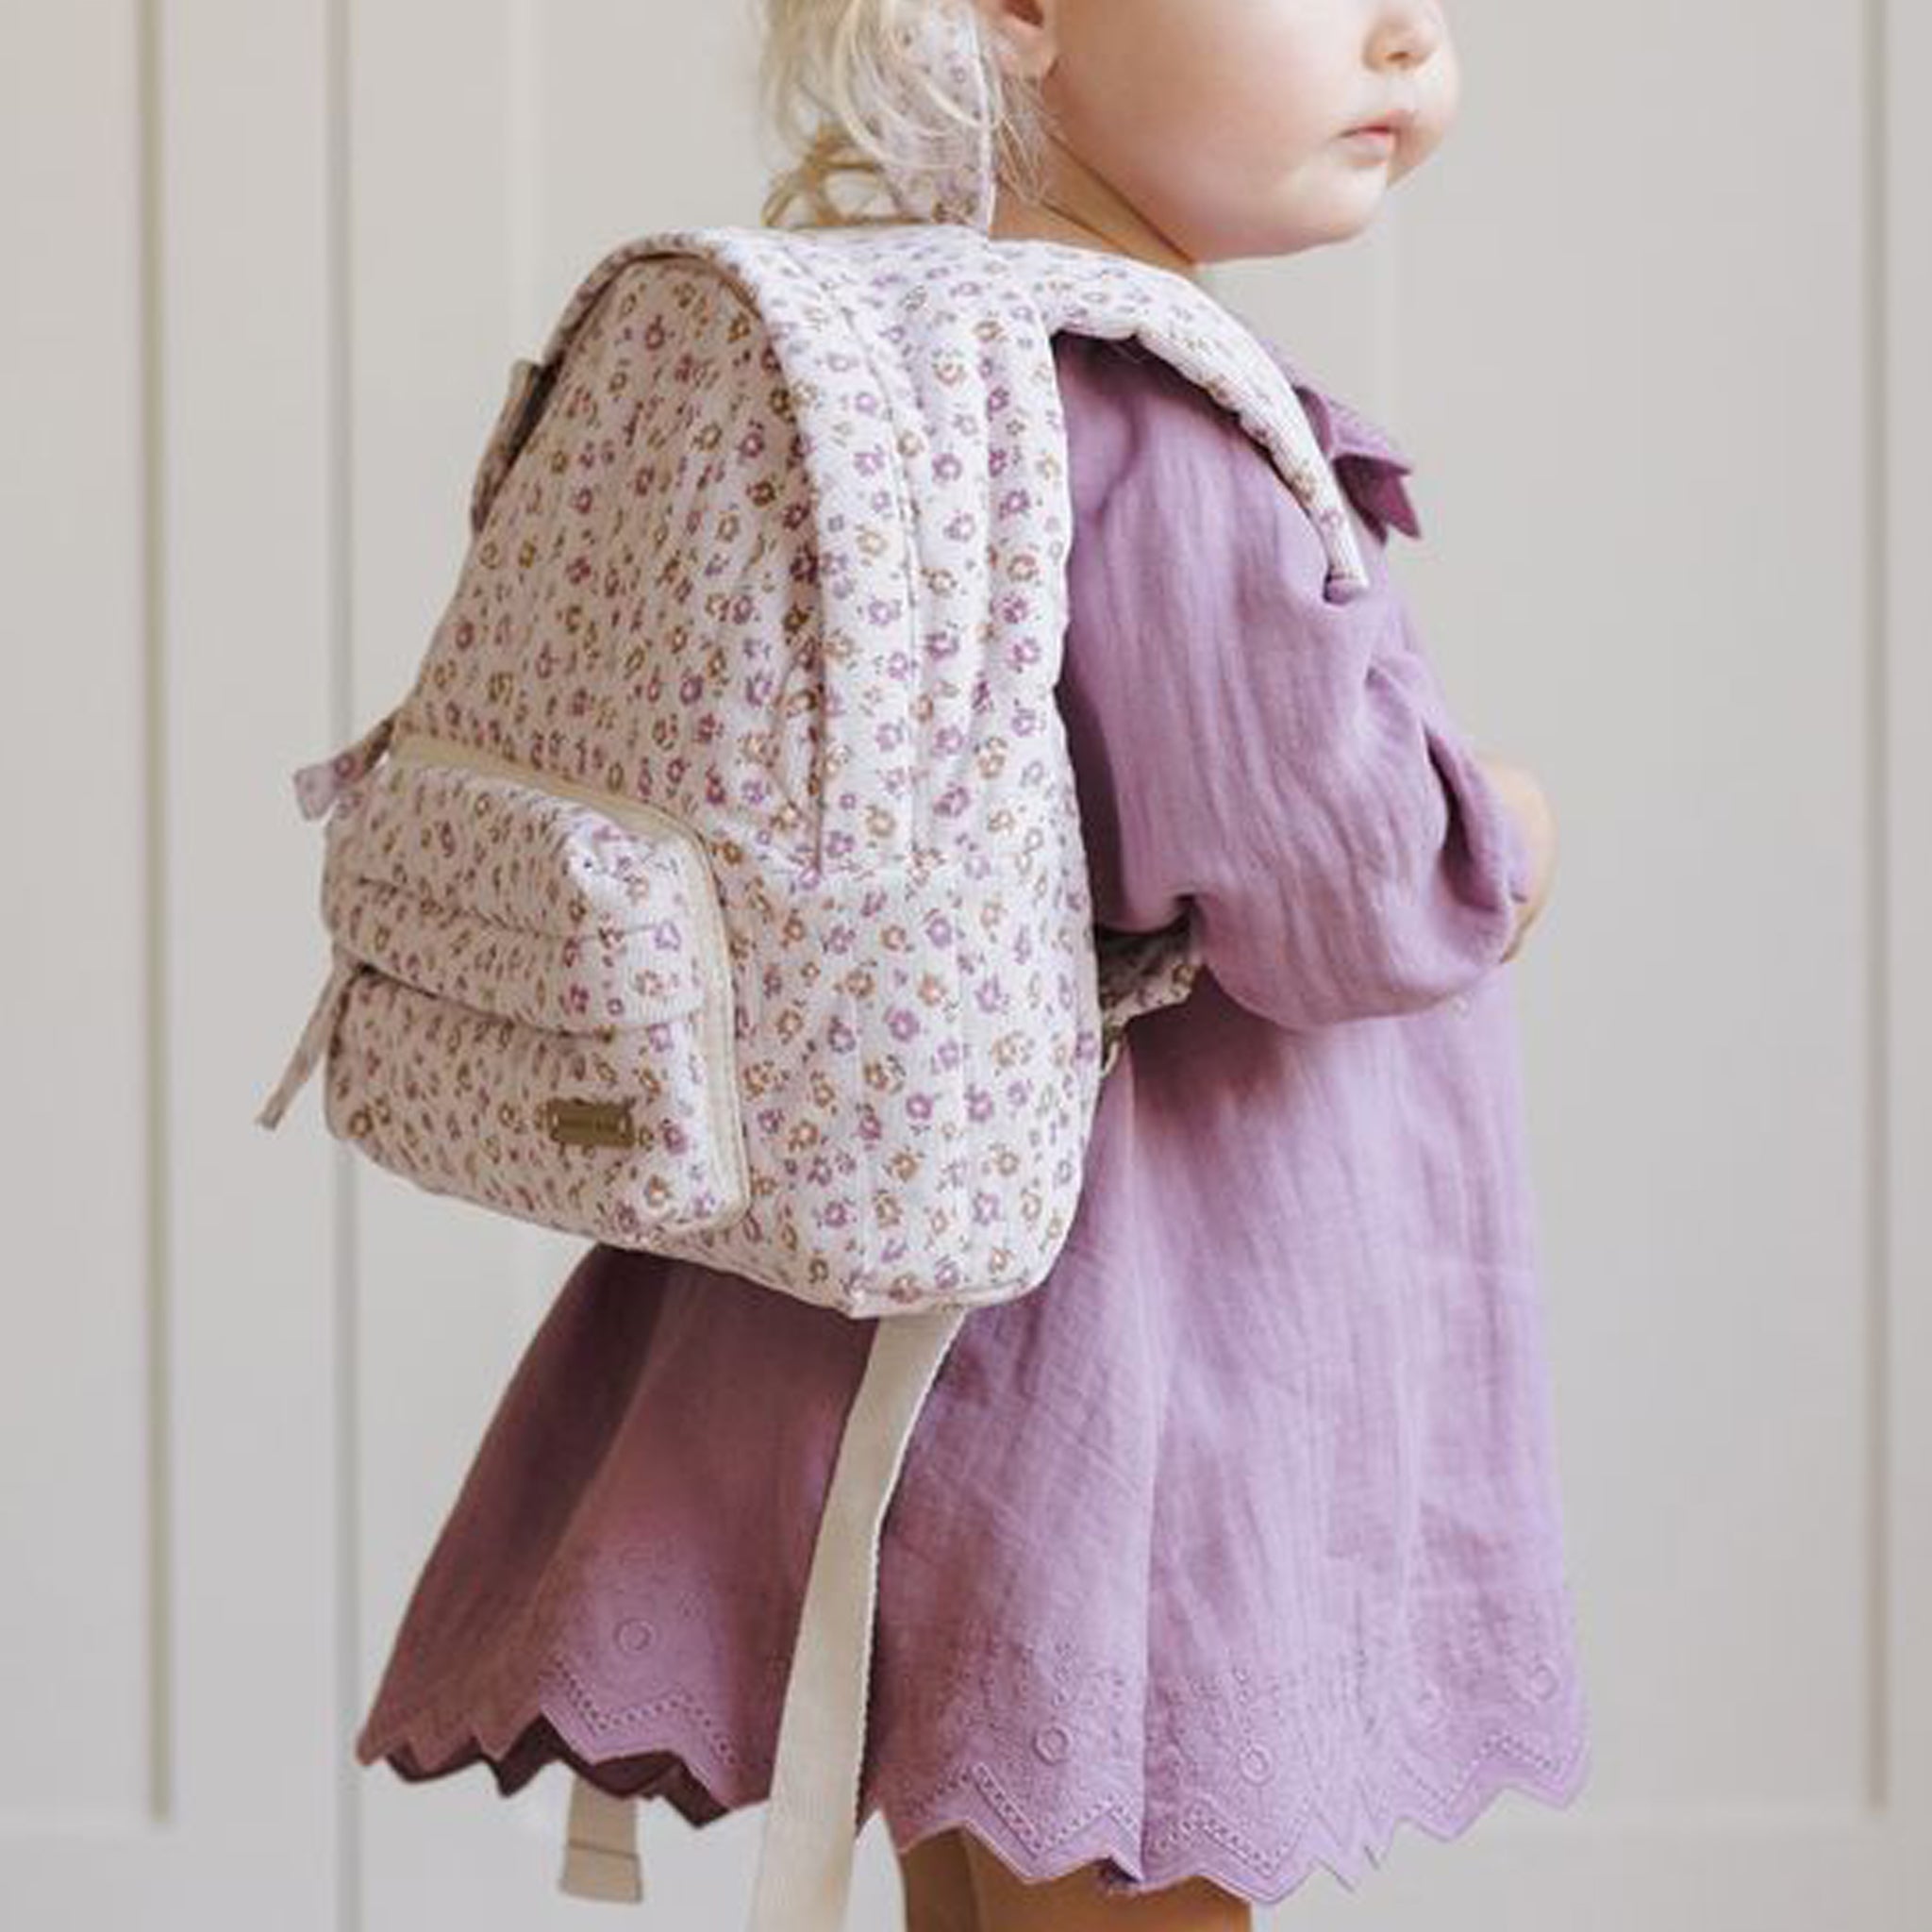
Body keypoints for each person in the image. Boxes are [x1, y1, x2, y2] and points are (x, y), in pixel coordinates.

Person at [354, 2, 1589, 1926]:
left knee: (981, 1870)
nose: (1406, 35)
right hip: (1144, 1350)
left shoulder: (901, 349)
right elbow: (1346, 896)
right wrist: (1498, 830)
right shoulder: (1146, 415)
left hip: (898, 1323)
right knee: (1126, 1873)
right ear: (1013, 13)